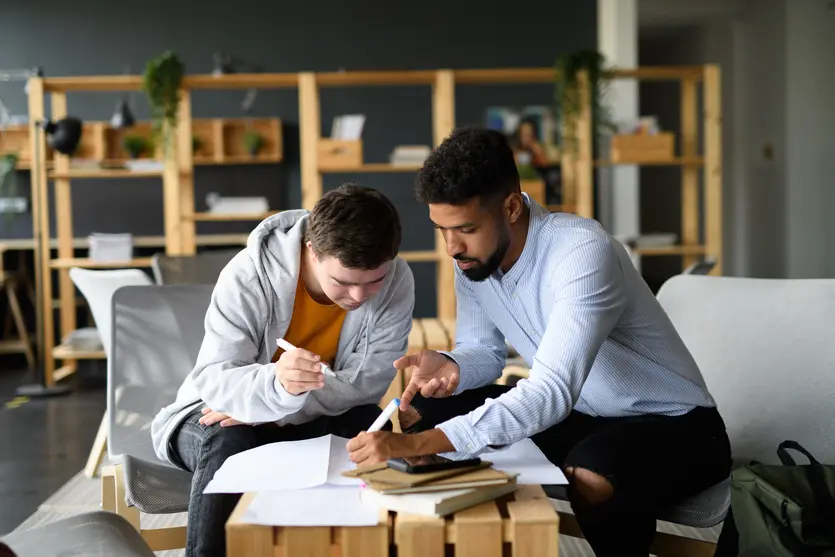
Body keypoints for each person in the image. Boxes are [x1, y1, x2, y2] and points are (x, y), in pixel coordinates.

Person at [346, 127, 731, 557]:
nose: (452, 247)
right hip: (584, 414)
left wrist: (416, 445)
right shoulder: (472, 259)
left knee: (592, 469)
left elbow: (550, 392)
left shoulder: (581, 251)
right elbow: (487, 355)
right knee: (426, 409)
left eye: (466, 228)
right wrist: (452, 364)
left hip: (678, 425)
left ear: (511, 206)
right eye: (441, 229)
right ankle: (475, 536)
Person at [151, 183, 415, 557]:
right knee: (230, 441)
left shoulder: (397, 282)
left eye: (374, 281)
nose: (359, 298)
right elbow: (216, 380)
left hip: (290, 412)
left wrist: (270, 405)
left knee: (372, 428)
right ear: (312, 249)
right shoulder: (248, 274)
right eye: (343, 282)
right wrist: (273, 385)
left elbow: (367, 384)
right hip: (211, 415)